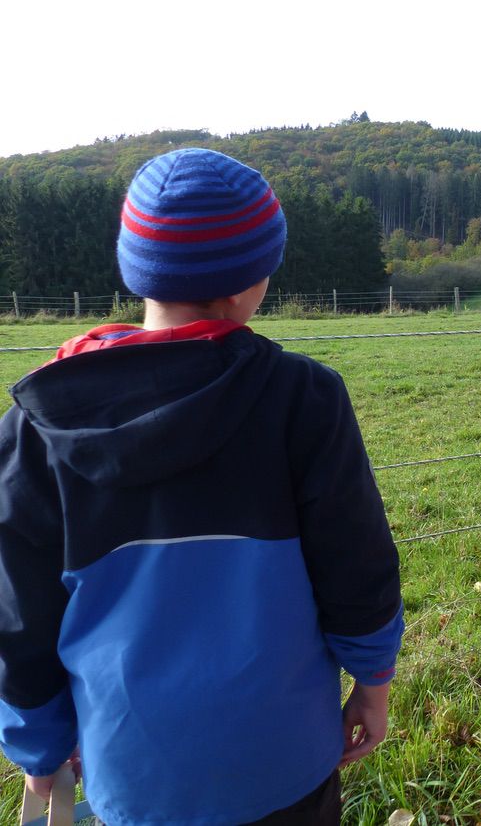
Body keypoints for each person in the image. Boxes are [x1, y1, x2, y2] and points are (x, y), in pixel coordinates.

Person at [0, 148, 404, 825]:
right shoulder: (305, 399)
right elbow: (357, 565)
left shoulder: (38, 425)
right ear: (250, 281)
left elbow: (19, 616)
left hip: (133, 778)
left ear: (139, 270)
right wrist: (374, 681)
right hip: (286, 767)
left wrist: (39, 749)